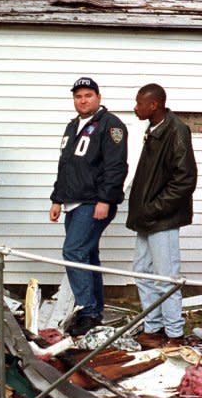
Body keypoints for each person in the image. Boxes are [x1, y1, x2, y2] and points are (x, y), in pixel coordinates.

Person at [49, 77, 128, 336]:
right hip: (73, 201)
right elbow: (66, 165)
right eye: (78, 96)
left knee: (73, 251)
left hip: (92, 201)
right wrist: (57, 199)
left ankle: (87, 310)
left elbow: (116, 167)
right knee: (87, 255)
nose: (82, 100)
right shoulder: (73, 126)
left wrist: (105, 200)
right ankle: (94, 309)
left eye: (88, 95)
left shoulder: (111, 125)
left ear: (99, 97)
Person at [127, 84, 197, 349]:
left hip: (162, 218)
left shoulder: (176, 130)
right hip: (147, 217)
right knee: (142, 271)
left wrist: (154, 208)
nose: (136, 108)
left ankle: (175, 334)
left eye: (139, 103)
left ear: (153, 105)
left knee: (167, 277)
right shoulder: (153, 129)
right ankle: (153, 328)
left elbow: (185, 179)